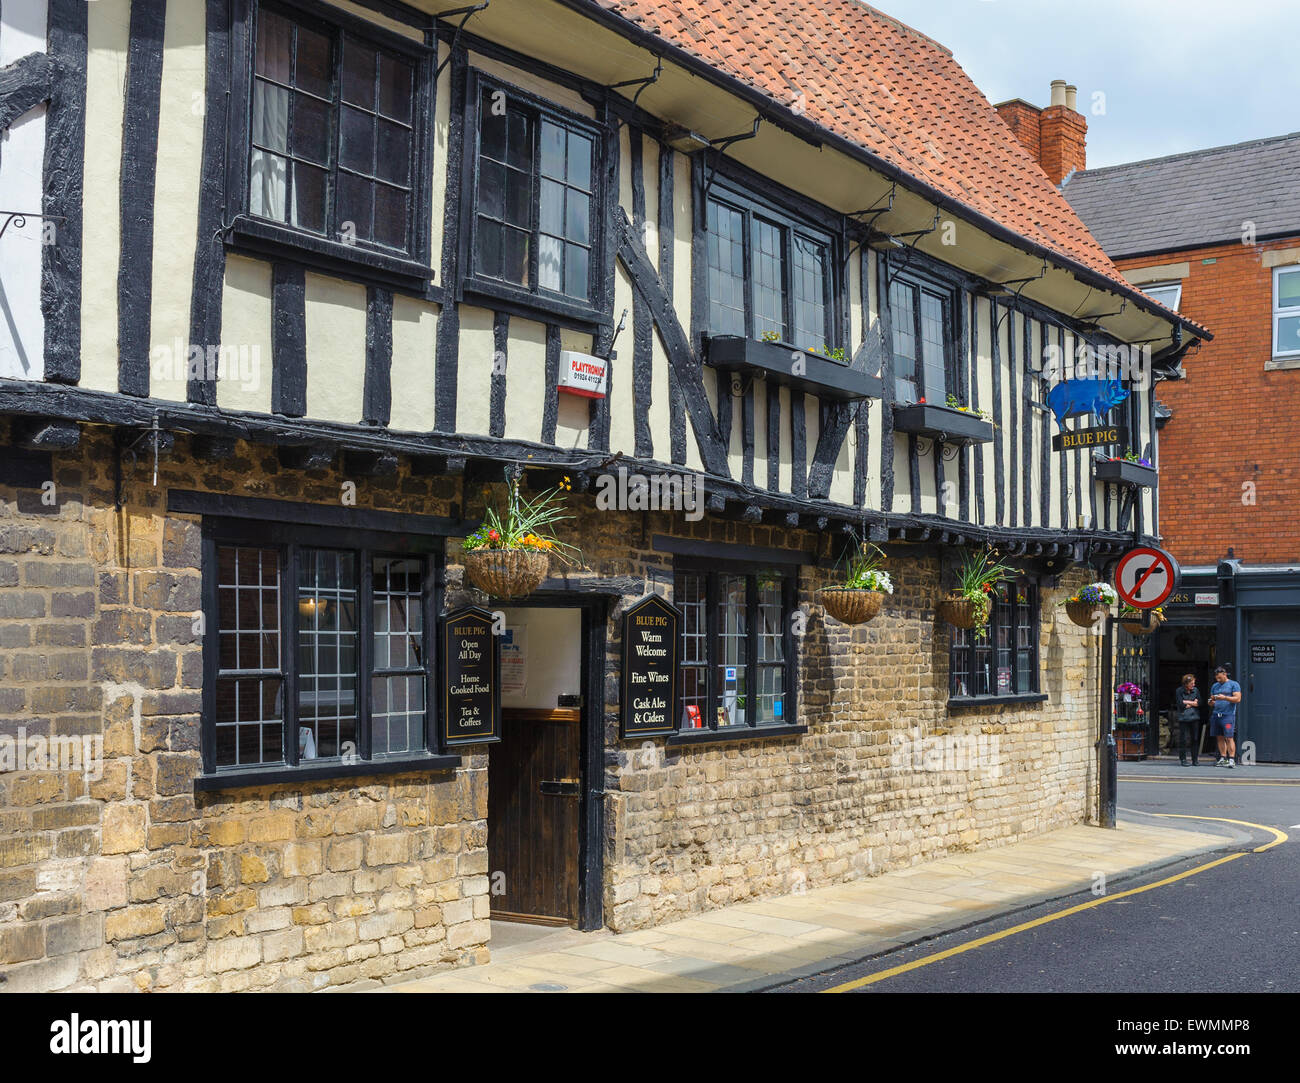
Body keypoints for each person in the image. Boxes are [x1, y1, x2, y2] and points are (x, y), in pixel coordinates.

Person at [1208, 665, 1242, 767]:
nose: (1218, 679)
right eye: (1216, 678)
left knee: (1229, 737)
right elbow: (1212, 700)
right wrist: (1211, 702)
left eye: (1220, 677)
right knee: (1219, 737)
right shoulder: (1215, 686)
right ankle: (1223, 758)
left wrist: (1225, 698)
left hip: (1228, 715)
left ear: (1224, 674)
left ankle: (1231, 759)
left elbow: (1237, 699)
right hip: (1216, 714)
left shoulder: (1234, 684)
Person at [1173, 673, 1202, 767]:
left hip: (1194, 717)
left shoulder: (1196, 690)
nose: (1194, 685)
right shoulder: (1179, 691)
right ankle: (1183, 759)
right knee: (1183, 739)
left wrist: (1187, 702)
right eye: (1192, 683)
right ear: (1186, 684)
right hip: (1184, 717)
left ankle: (1195, 759)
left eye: (1194, 683)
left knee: (1195, 738)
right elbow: (1180, 704)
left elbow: (1199, 703)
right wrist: (1193, 702)